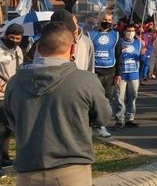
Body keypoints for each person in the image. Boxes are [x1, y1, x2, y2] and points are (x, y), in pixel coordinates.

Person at [4, 21, 112, 185]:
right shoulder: (86, 81)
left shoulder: (14, 83)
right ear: (72, 50)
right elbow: (103, 118)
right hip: (72, 171)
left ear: (38, 48)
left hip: (28, 171)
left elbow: (11, 120)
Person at [89, 11, 120, 138]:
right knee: (93, 99)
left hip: (110, 71)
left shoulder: (116, 35)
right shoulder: (91, 35)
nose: (107, 22)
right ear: (99, 19)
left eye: (109, 20)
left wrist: (118, 74)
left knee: (107, 99)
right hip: (95, 71)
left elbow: (118, 55)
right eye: (104, 19)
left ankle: (102, 125)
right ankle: (92, 124)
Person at [0, 23, 23, 171]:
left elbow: (20, 69)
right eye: (12, 38)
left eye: (18, 38)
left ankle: (4, 157)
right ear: (5, 36)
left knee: (7, 128)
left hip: (12, 93)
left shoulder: (18, 50)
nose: (14, 41)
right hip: (0, 94)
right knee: (1, 127)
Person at [112, 24, 141, 129]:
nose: (131, 33)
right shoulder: (119, 43)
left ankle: (130, 118)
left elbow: (142, 57)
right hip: (122, 74)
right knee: (119, 98)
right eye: (128, 31)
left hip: (134, 74)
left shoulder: (138, 43)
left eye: (133, 31)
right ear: (124, 31)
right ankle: (119, 119)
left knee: (132, 97)